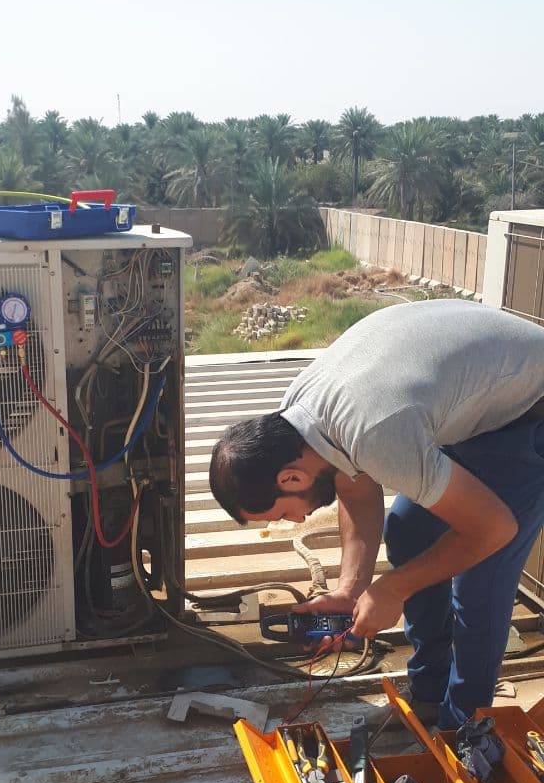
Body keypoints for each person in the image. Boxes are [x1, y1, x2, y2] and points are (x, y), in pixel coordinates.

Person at [209, 299, 544, 730]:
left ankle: (465, 727)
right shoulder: (298, 420)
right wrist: (351, 592)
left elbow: (494, 528)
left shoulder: (374, 431)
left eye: (283, 514)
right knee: (407, 532)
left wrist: (393, 588)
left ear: (291, 477)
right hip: (479, 409)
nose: (296, 522)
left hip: (531, 412)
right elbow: (356, 488)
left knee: (481, 578)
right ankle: (429, 690)